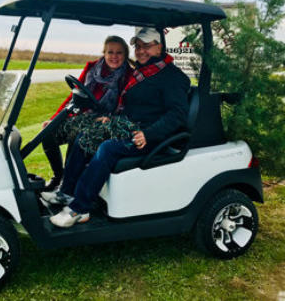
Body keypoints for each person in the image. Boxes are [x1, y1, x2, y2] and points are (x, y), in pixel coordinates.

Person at [46, 27, 191, 227]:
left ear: (159, 47)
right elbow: (134, 107)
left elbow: (177, 114)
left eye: (147, 46)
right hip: (129, 126)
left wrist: (148, 134)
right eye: (138, 47)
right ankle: (68, 193)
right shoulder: (144, 71)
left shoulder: (172, 77)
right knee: (85, 136)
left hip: (149, 135)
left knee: (107, 148)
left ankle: (80, 208)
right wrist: (111, 120)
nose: (141, 51)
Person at [41, 35, 133, 190]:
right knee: (48, 132)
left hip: (107, 120)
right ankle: (59, 176)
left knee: (81, 137)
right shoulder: (92, 68)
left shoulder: (129, 76)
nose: (114, 57)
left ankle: (68, 186)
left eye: (119, 53)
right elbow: (74, 95)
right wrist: (54, 119)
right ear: (104, 53)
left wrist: (112, 118)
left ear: (125, 55)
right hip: (85, 116)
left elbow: (127, 105)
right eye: (110, 52)